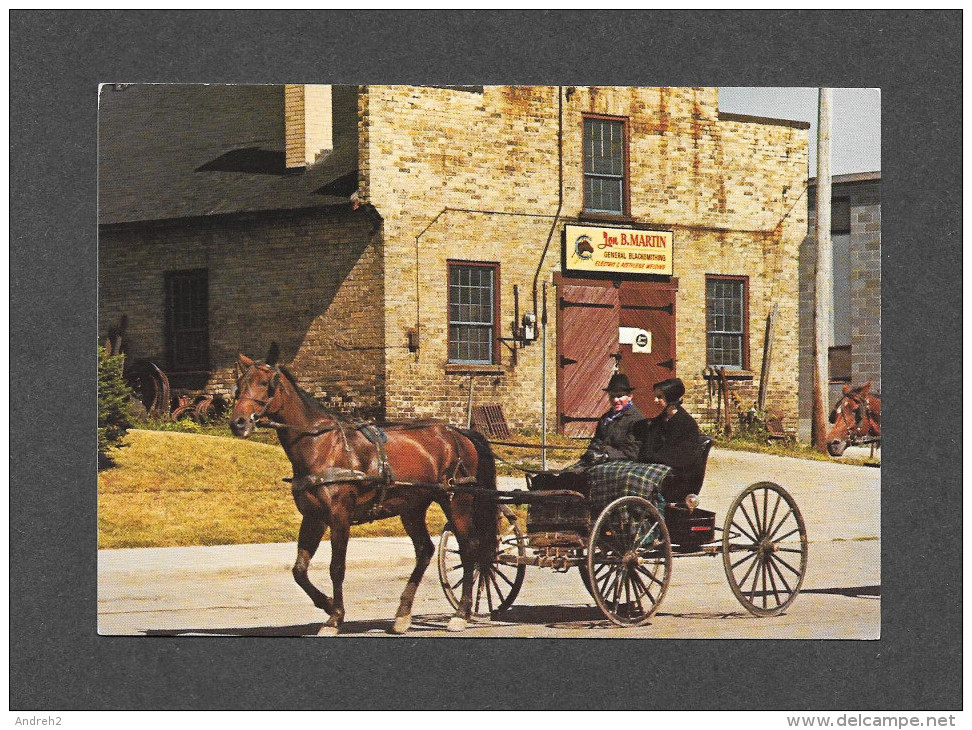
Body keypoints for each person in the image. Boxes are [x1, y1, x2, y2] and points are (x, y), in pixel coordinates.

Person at [636, 377, 701, 474]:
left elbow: (680, 457)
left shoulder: (687, 424)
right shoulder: (661, 419)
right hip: (658, 465)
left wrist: (651, 457)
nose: (655, 400)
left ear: (670, 398)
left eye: (659, 397)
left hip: (676, 473)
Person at [579, 372, 645, 466]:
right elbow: (597, 440)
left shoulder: (637, 420)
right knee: (568, 474)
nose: (615, 400)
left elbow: (633, 451)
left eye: (619, 396)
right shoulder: (606, 418)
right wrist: (593, 452)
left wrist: (607, 455)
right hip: (600, 460)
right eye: (612, 396)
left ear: (630, 396)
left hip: (624, 463)